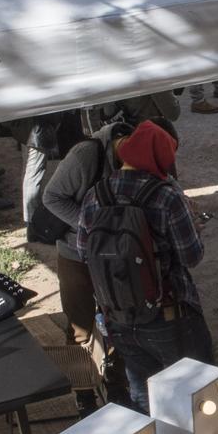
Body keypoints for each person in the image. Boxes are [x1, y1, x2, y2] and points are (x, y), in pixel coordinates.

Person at [72, 119, 214, 412]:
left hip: (118, 317)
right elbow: (191, 256)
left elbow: (83, 252)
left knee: (143, 395)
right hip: (169, 315)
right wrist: (195, 227)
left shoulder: (95, 195)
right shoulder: (166, 196)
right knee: (198, 394)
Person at [41, 119, 139, 405]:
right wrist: (91, 229)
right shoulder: (85, 155)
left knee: (120, 320)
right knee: (79, 327)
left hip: (114, 255)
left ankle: (117, 385)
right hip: (75, 254)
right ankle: (83, 394)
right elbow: (51, 197)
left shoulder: (139, 158)